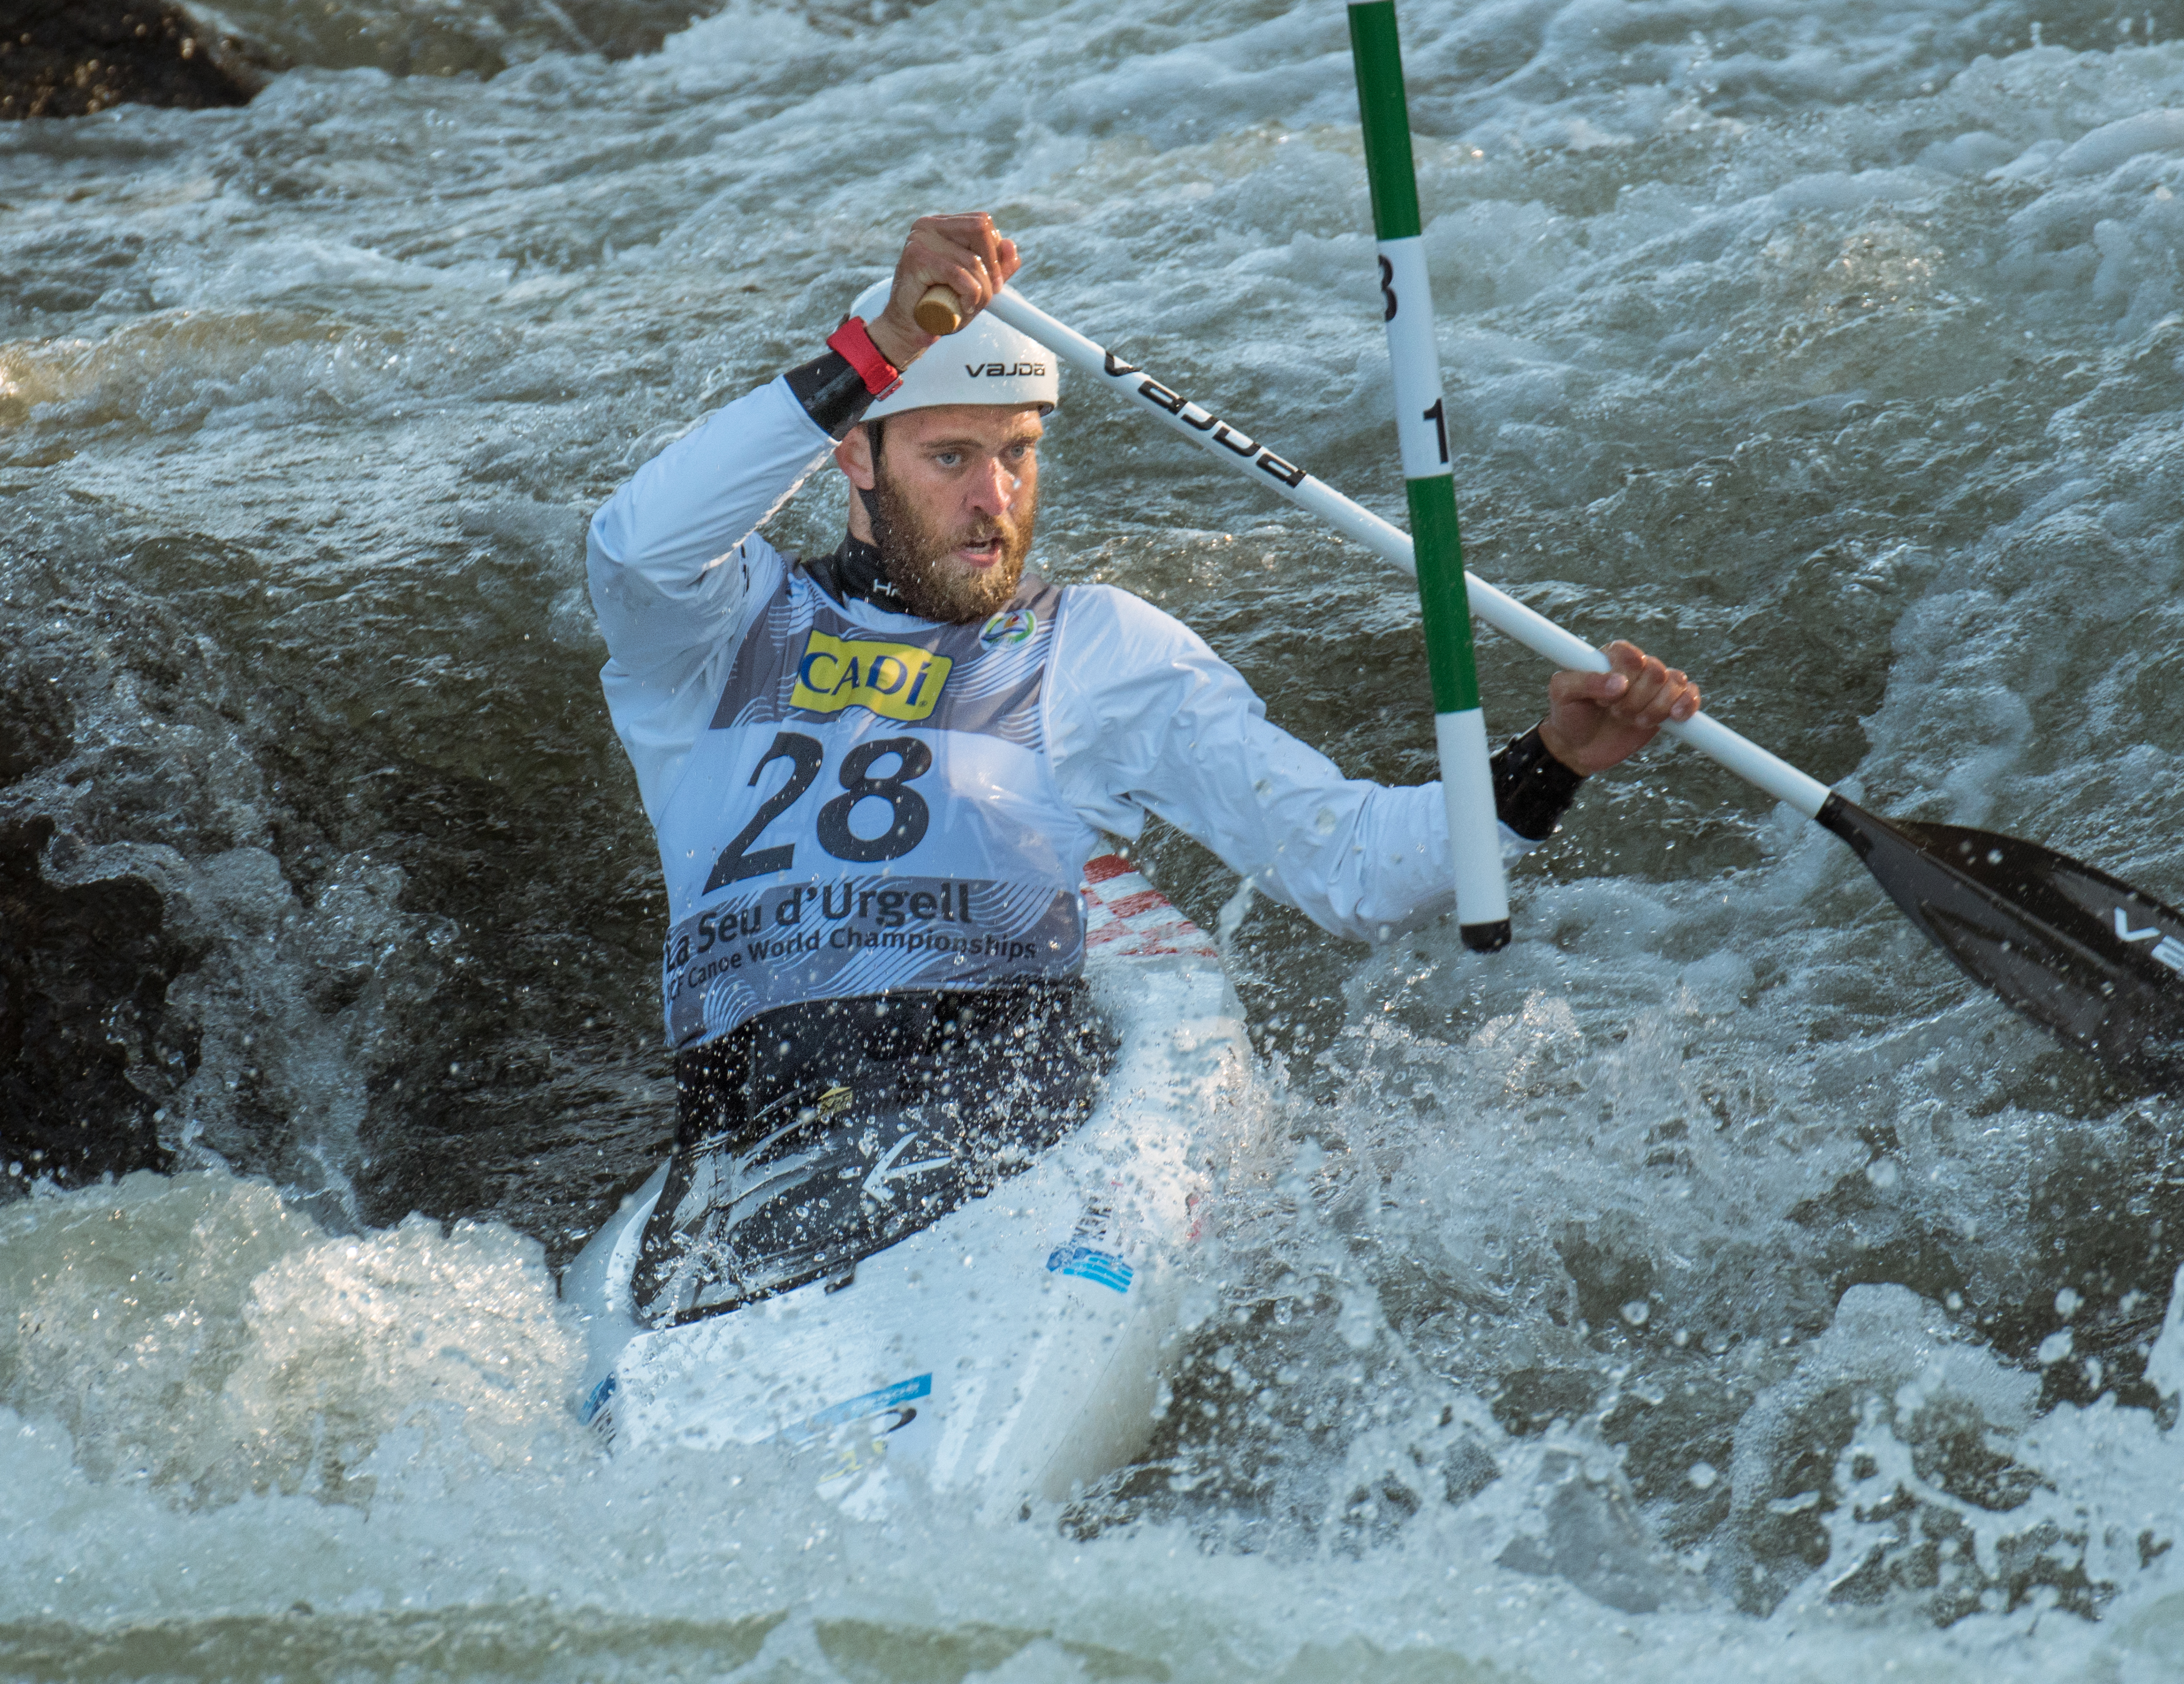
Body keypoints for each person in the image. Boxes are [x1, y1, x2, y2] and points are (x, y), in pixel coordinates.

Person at [586, 213, 1700, 1325]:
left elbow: (1353, 866)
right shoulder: (713, 636)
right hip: (754, 1131)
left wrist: (1549, 762)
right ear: (853, 452)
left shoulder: (1100, 649)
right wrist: (875, 343)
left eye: (1018, 452)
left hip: (996, 1115)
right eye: (950, 458)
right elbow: (638, 542)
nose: (994, 500)